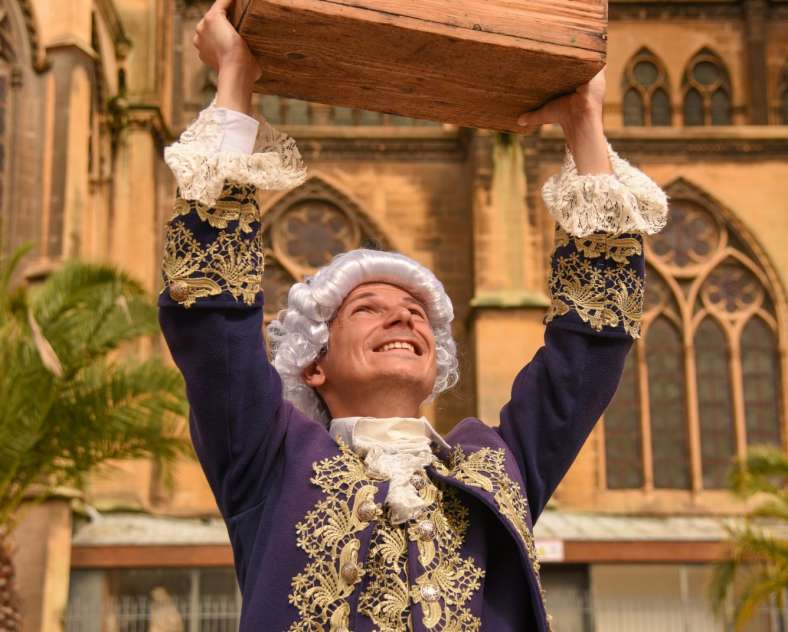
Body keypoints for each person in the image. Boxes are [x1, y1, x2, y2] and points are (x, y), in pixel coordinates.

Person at [158, 1, 669, 630]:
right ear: (313, 364)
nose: (403, 319)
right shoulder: (269, 458)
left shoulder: (494, 470)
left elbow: (592, 343)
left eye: (417, 313)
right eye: (367, 309)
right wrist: (234, 79)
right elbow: (211, 314)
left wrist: (583, 121)